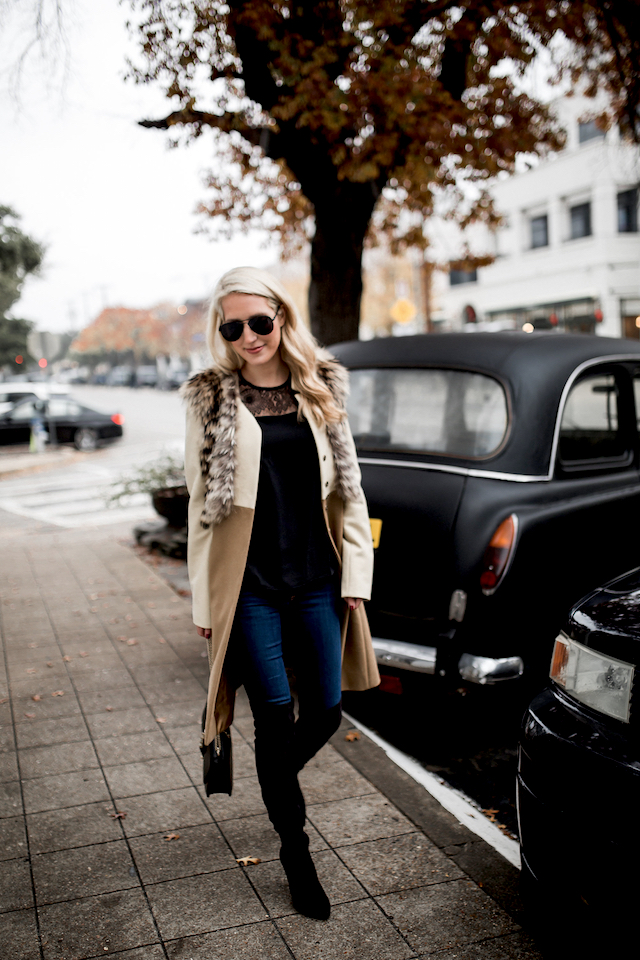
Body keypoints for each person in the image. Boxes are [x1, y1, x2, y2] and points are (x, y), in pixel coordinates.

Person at [182, 265, 380, 921]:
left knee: (324, 710)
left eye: (258, 322)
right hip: (251, 590)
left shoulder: (322, 387)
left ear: (282, 318)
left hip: (318, 582)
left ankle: (272, 777)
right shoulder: (211, 398)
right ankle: (297, 856)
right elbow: (199, 509)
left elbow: (349, 492)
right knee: (273, 715)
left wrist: (357, 577)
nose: (247, 336)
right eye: (232, 326)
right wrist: (204, 606)